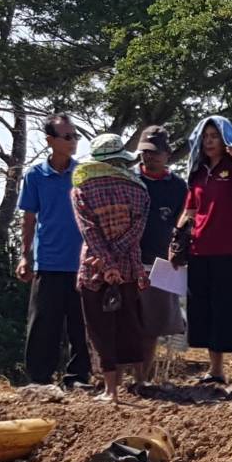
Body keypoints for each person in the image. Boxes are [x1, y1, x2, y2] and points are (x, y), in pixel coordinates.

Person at [174, 116, 232, 389]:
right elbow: (189, 211)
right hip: (199, 250)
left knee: (231, 311)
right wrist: (175, 240)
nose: (209, 141)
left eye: (214, 136)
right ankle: (215, 370)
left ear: (225, 139)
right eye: (205, 137)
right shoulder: (198, 172)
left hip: (228, 250)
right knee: (206, 311)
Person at [71, 134, 151, 403]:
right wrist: (117, 261)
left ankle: (111, 390)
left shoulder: (82, 190)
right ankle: (139, 381)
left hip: (95, 268)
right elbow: (136, 233)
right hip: (128, 268)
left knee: (100, 329)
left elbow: (89, 231)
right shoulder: (139, 190)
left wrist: (107, 264)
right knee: (130, 324)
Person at [16, 114, 91, 387]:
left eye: (75, 136)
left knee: (80, 325)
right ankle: (39, 380)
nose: (73, 142)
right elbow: (29, 218)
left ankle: (78, 377)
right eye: (67, 136)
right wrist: (25, 255)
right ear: (50, 140)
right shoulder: (35, 175)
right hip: (47, 261)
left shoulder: (83, 175)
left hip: (81, 263)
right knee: (43, 324)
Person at [134, 125, 187, 385]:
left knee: (151, 327)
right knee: (124, 323)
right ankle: (114, 380)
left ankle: (141, 379)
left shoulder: (178, 187)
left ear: (167, 154)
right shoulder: (130, 180)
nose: (150, 156)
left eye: (155, 152)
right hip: (126, 263)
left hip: (159, 265)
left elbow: (184, 224)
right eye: (145, 151)